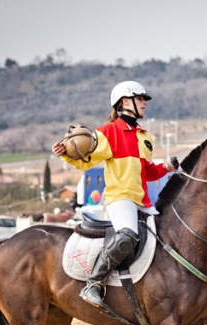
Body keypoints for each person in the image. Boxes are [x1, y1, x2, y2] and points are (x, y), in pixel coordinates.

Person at [52, 81, 177, 308]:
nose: (145, 104)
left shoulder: (145, 137)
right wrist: (66, 155)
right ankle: (93, 283)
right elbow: (86, 162)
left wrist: (165, 168)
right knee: (128, 235)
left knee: (169, 235)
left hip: (143, 200)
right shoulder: (107, 132)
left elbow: (146, 171)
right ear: (125, 102)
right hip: (120, 198)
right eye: (141, 99)